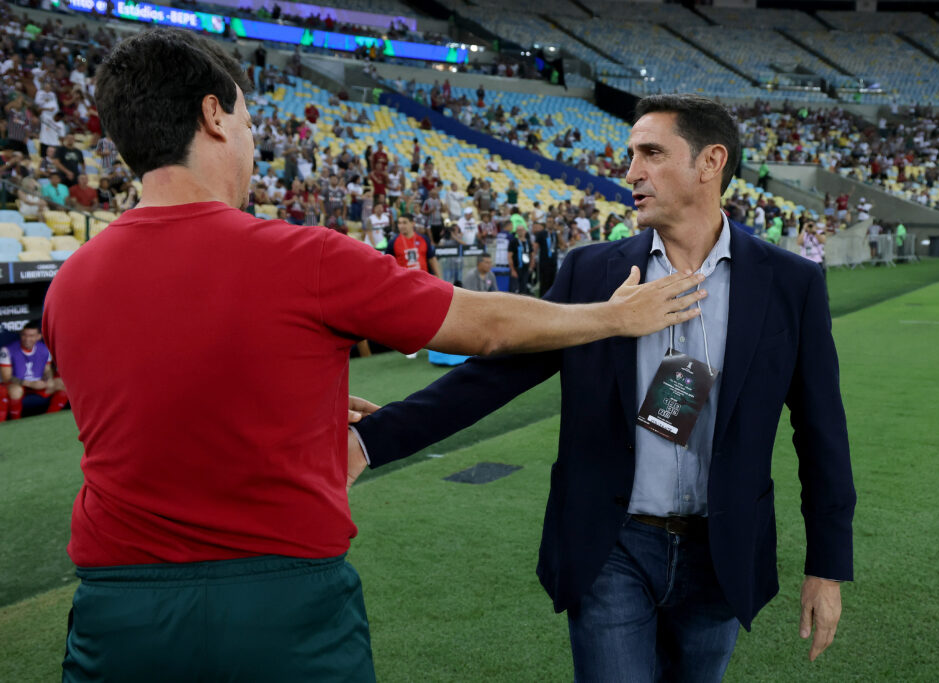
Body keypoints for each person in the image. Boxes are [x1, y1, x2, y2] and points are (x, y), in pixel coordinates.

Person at [43, 30, 705, 683]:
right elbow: (487, 327)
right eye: (248, 121)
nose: (251, 142)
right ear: (214, 116)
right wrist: (617, 316)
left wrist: (294, 405)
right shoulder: (305, 258)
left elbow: (151, 401)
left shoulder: (69, 285)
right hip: (281, 601)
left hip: (116, 606)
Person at [350, 94, 855, 681]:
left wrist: (827, 566)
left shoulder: (790, 284)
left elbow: (821, 431)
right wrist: (370, 441)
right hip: (612, 545)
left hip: (722, 552)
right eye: (630, 154)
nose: (631, 172)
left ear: (710, 161)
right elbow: (495, 375)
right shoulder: (591, 271)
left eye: (651, 153)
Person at [0, 320, 69, 421]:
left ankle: (49, 418)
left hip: (37, 383)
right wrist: (30, 383)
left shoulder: (45, 349)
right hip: (19, 384)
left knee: (62, 384)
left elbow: (47, 370)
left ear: (38, 337)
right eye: (24, 335)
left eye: (31, 336)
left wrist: (48, 379)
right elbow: (6, 378)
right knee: (16, 391)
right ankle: (16, 421)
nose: (27, 339)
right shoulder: (7, 351)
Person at [385, 213, 441, 277]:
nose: (401, 226)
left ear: (413, 223)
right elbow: (389, 264)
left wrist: (439, 277)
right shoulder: (393, 242)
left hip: (423, 279)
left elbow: (432, 259)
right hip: (403, 280)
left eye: (404, 223)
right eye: (399, 223)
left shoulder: (423, 239)